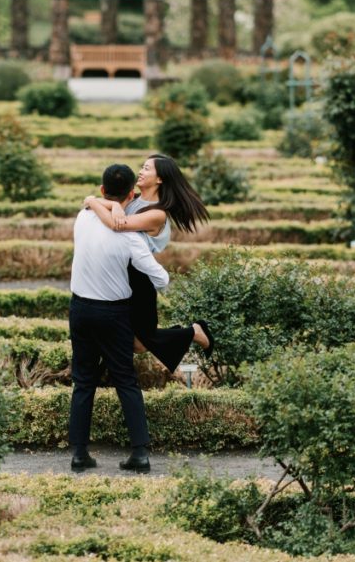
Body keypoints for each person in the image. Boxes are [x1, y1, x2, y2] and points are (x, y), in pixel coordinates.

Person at [68, 163, 170, 474]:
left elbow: (91, 204)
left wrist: (96, 202)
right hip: (114, 315)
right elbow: (161, 277)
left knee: (83, 382)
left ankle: (79, 454)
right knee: (126, 380)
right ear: (131, 194)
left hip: (80, 309)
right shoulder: (130, 237)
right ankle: (139, 453)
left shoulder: (82, 218)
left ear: (102, 191)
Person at [84, 154, 214, 372]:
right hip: (121, 273)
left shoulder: (157, 213)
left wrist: (91, 201)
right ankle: (105, 374)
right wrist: (112, 206)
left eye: (146, 168)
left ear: (160, 179)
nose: (141, 172)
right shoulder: (133, 200)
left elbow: (118, 225)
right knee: (129, 337)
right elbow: (112, 207)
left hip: (139, 279)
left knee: (141, 343)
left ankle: (193, 331)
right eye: (141, 167)